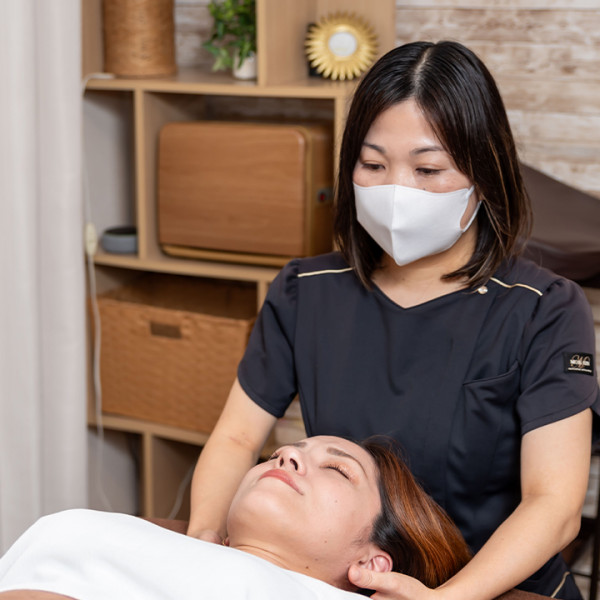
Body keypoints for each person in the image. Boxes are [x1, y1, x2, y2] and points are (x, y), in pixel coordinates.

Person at [186, 40, 600, 600]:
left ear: (484, 173)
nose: (398, 191)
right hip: (346, 581)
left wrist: (446, 599)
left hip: (501, 589)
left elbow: (554, 505)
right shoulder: (306, 291)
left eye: (427, 169)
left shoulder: (543, 308)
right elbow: (237, 437)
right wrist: (203, 543)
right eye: (374, 164)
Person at [0, 436, 471, 599]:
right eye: (282, 452)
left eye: (336, 469)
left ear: (372, 563)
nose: (285, 454)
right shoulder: (142, 537)